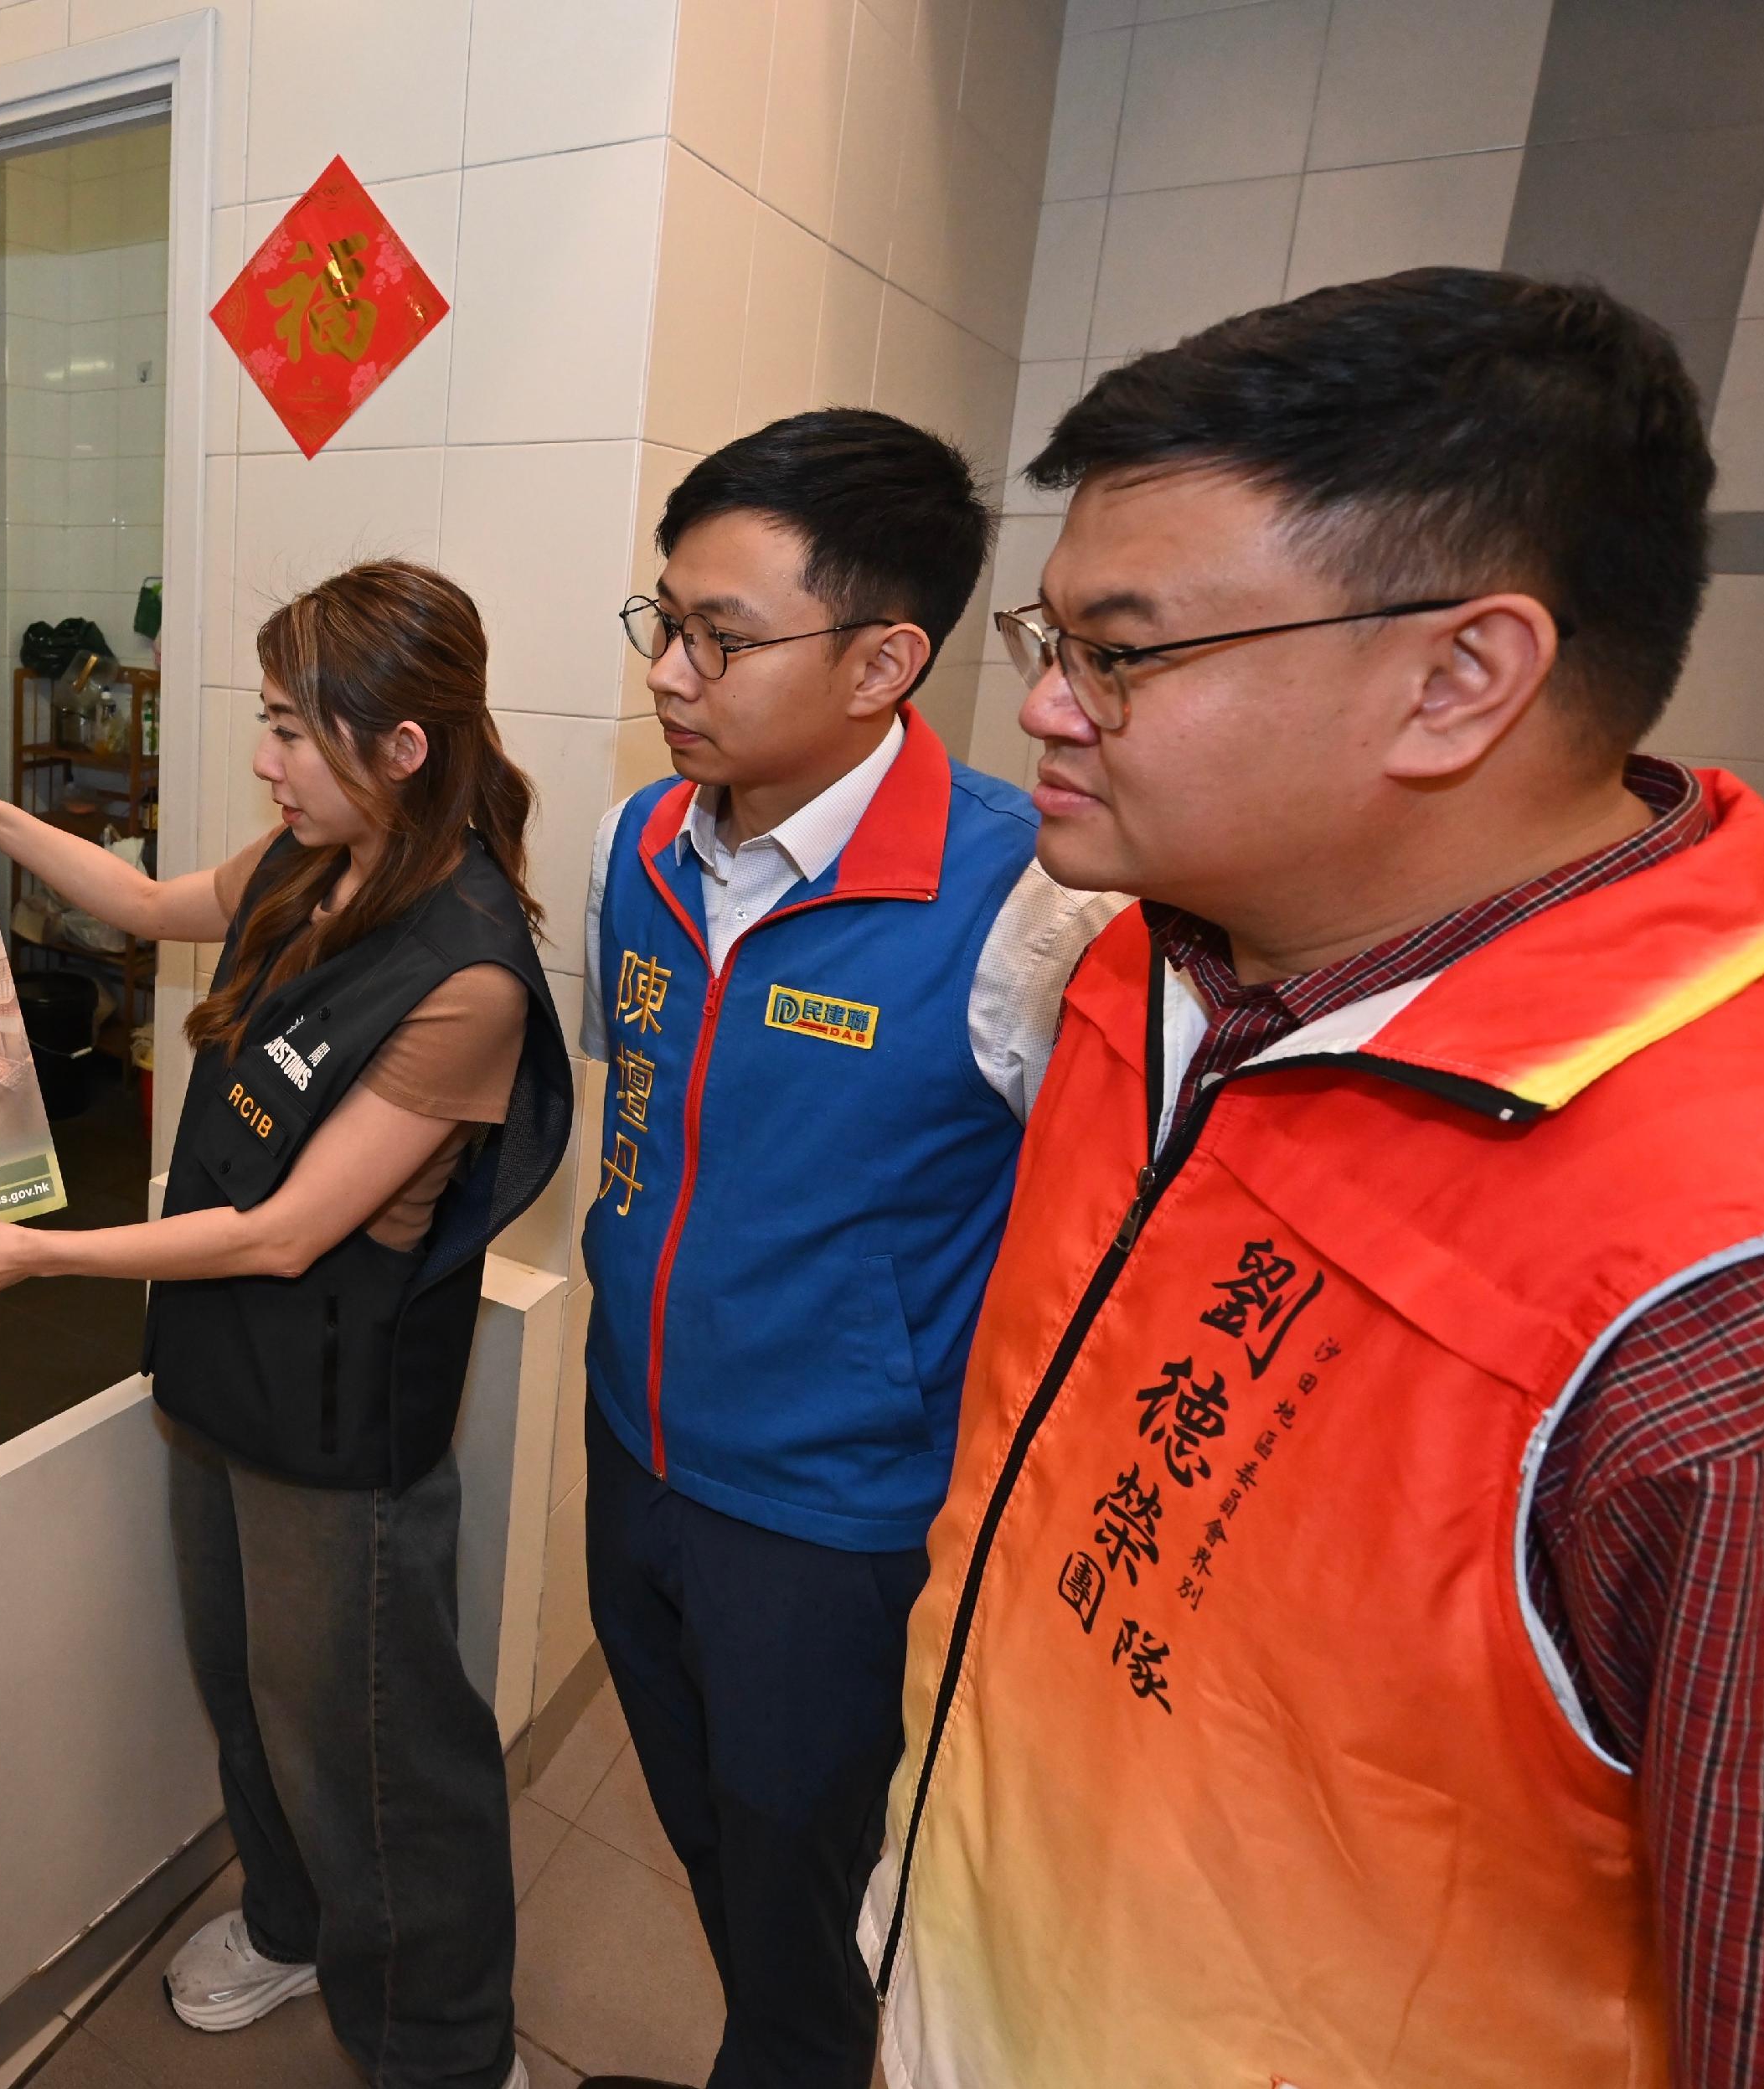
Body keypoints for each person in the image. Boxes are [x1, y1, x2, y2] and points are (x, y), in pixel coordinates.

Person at [862, 268, 1764, 2087]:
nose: (1046, 709)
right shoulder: (1136, 957)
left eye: (1117, 654)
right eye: (1045, 639)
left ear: (1457, 679)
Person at [0, 560, 571, 2089]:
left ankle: (444, 2046)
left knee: (372, 1739)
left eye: (296, 729)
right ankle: (293, 1919)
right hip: (222, 1364)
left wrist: (39, 1254)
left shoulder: (472, 972)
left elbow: (290, 1227)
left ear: (402, 745)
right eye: (270, 720)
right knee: (243, 1680)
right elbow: (163, 903)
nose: (266, 757)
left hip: (336, 1409)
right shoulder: (322, 859)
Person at [574, 408, 1118, 2089]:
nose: (670, 668)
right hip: (631, 1451)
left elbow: (1088, 1250)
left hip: (827, 1515)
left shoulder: (1024, 899)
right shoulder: (642, 843)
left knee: (808, 1875)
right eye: (662, 618)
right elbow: (647, 1108)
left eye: (719, 635)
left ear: (885, 658)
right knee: (706, 1828)